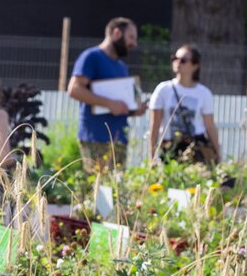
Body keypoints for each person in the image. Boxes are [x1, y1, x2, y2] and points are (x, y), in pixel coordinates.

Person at [68, 17, 147, 173]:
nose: (134, 44)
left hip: (119, 139)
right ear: (116, 33)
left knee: (115, 190)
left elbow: (117, 105)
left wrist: (133, 110)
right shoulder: (91, 57)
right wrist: (110, 104)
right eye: (131, 37)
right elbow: (74, 89)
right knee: (96, 191)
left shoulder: (121, 67)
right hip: (95, 137)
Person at [148, 44, 220, 165]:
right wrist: (152, 155)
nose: (177, 62)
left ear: (195, 65)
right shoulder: (163, 89)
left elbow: (210, 126)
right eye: (175, 58)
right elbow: (155, 125)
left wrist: (218, 153)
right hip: (170, 146)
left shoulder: (204, 93)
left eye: (183, 60)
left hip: (195, 147)